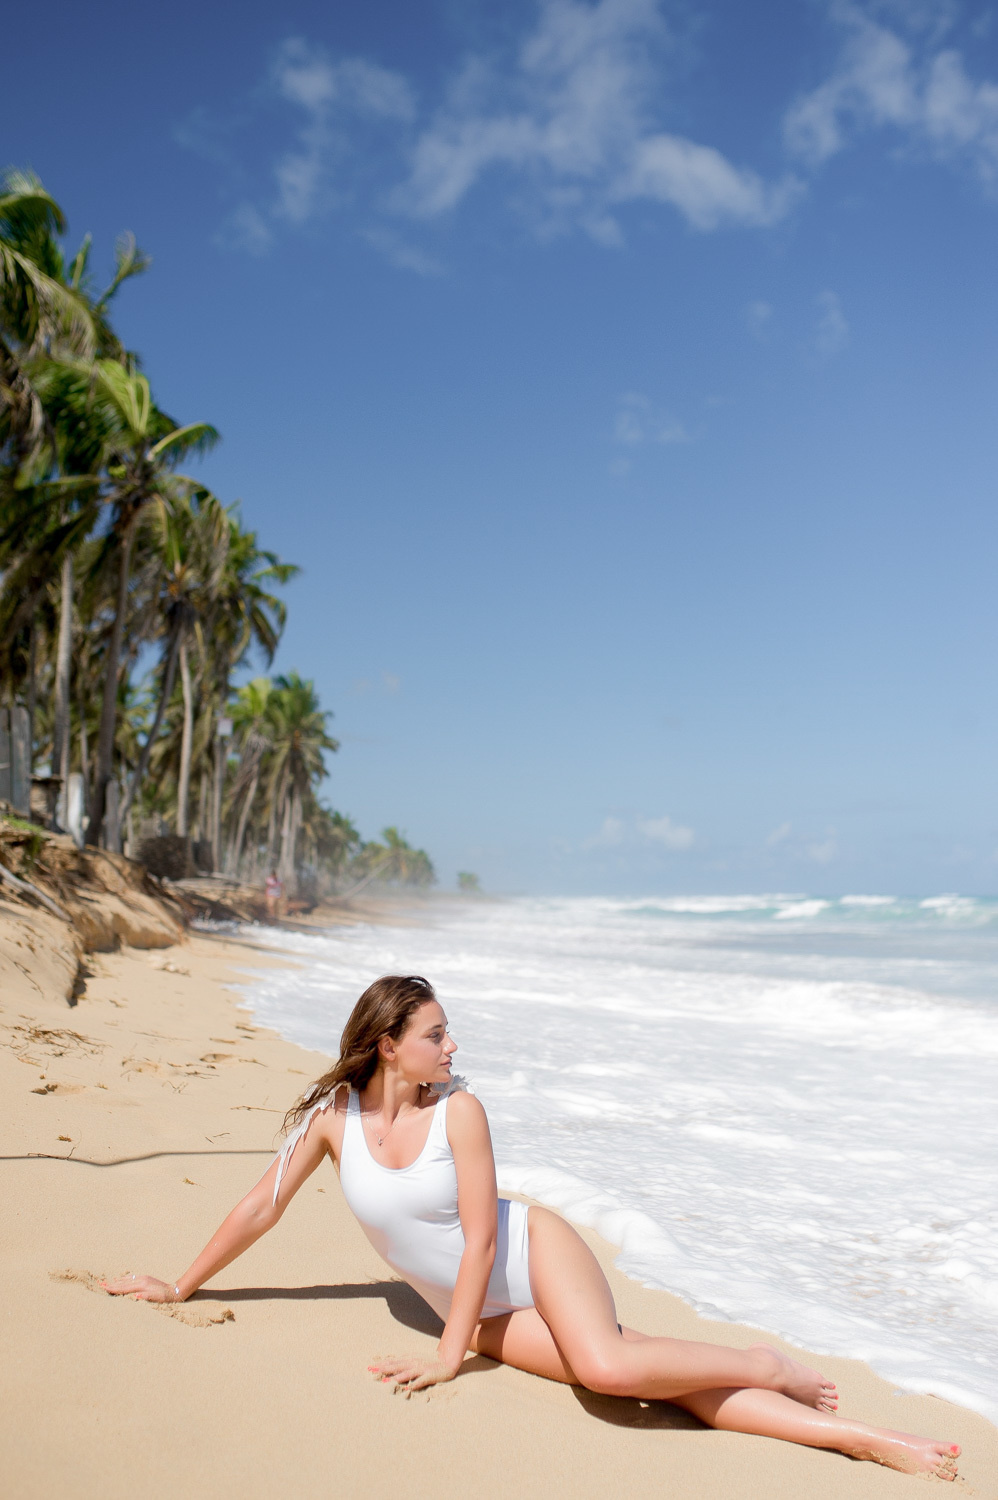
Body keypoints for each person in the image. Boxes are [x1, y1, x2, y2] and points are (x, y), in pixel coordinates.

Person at [105, 974, 960, 1480]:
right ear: (389, 1045)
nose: (451, 1044)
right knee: (650, 1389)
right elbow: (263, 1203)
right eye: (435, 1033)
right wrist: (180, 1284)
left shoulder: (462, 1113)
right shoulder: (334, 1115)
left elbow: (482, 1239)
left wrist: (449, 1354)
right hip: (478, 1308)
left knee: (605, 1366)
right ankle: (862, 1439)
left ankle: (764, 1363)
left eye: (447, 1032)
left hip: (531, 1256)